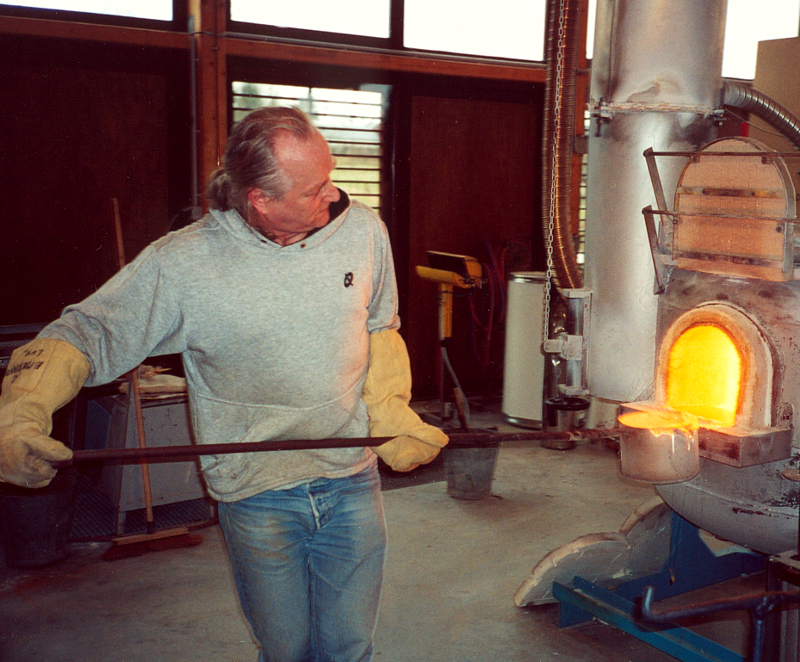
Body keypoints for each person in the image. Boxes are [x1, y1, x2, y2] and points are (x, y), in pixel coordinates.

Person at [0, 106, 448, 662]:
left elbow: (380, 327)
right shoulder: (185, 263)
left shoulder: (362, 230)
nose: (332, 197)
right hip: (257, 493)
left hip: (351, 480)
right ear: (261, 198)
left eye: (331, 179)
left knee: (349, 648)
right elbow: (84, 334)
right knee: (286, 652)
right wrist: (20, 414)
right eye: (313, 190)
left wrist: (389, 413)